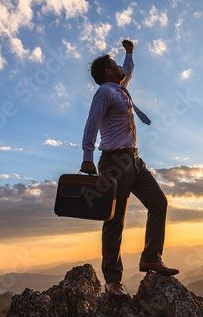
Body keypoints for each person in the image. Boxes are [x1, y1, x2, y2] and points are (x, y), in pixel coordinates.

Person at [81, 39, 179, 297]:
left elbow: (128, 71)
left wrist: (129, 53)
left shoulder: (119, 89)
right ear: (107, 72)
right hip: (113, 162)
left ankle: (150, 258)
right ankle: (113, 281)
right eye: (114, 64)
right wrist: (87, 155)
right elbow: (92, 122)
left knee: (158, 202)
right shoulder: (104, 93)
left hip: (134, 160)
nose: (119, 67)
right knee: (114, 219)